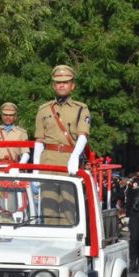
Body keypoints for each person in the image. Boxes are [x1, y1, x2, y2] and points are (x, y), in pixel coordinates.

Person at [31, 65, 91, 224]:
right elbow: (39, 140)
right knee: (47, 210)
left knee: (68, 208)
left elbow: (83, 135)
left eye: (66, 82)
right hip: (48, 160)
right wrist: (35, 169)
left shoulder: (81, 109)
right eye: (58, 82)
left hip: (68, 160)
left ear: (73, 86)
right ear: (53, 85)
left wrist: (75, 156)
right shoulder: (44, 109)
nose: (62, 85)